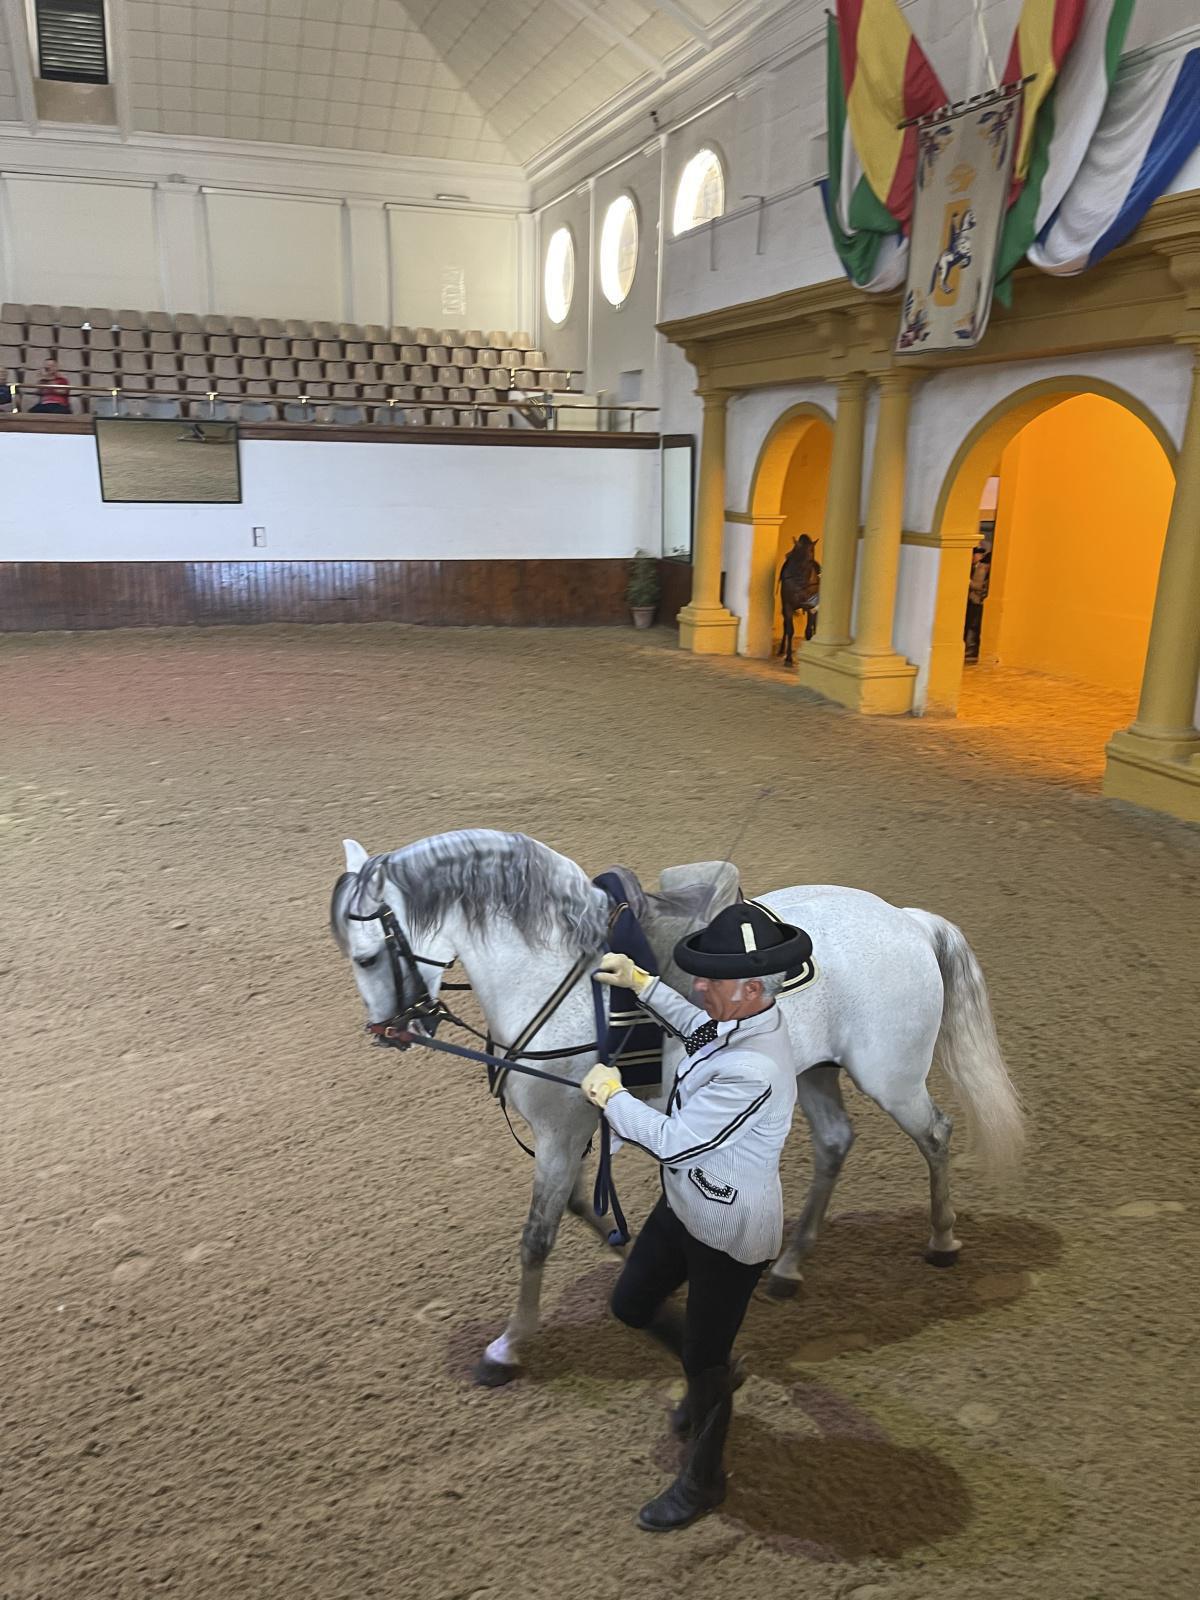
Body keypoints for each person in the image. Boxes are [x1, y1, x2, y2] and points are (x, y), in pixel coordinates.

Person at [582, 900, 809, 1532]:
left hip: (731, 1234)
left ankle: (703, 1482)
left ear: (755, 987)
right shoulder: (738, 1020)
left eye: (712, 978)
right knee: (630, 1305)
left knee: (703, 1368)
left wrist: (613, 1098)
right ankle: (713, 1368)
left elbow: (678, 1140)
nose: (700, 985)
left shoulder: (756, 1068)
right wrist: (641, 983)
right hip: (684, 1204)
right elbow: (697, 1026)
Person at [963, 542, 991, 662]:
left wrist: (969, 583)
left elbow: (981, 586)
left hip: (976, 600)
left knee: (973, 626)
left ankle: (971, 648)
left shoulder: (983, 568)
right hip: (969, 600)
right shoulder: (971, 567)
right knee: (968, 624)